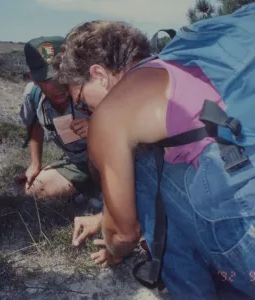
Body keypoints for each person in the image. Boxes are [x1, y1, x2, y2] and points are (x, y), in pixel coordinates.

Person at [53, 20, 255, 299]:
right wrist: (103, 217)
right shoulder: (177, 64)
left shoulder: (112, 113)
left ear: (98, 73)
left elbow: (125, 236)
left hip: (243, 228)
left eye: (80, 99)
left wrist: (114, 248)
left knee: (142, 163)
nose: (85, 109)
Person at [20, 36, 99, 200]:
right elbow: (34, 125)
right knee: (33, 191)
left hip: (113, 160)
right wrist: (35, 164)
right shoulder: (33, 96)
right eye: (47, 79)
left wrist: (98, 128)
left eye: (62, 75)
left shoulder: (91, 91)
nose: (57, 85)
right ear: (34, 78)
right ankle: (89, 185)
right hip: (78, 162)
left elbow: (130, 128)